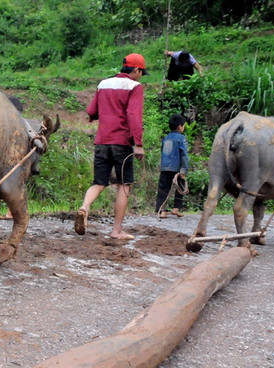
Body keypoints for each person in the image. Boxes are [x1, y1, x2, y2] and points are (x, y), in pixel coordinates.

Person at [73, 53, 147, 241]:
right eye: (141, 73)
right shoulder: (134, 87)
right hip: (121, 143)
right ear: (136, 70)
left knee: (99, 183)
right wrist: (138, 144)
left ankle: (84, 207)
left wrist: (103, 114)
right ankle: (116, 230)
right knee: (124, 185)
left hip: (102, 141)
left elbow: (91, 110)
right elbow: (133, 115)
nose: (141, 77)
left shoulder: (103, 84)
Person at [156, 114, 189, 218]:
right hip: (177, 168)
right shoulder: (182, 138)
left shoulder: (165, 138)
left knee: (163, 188)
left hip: (165, 167)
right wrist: (184, 169)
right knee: (180, 187)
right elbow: (184, 155)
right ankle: (176, 208)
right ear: (180, 127)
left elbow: (162, 151)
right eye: (183, 125)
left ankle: (162, 211)